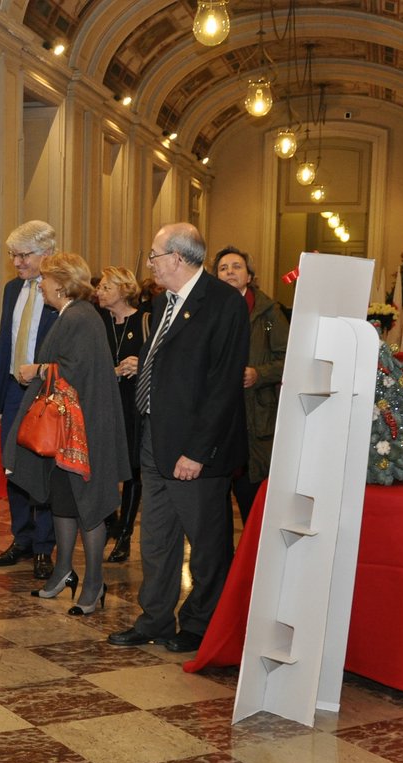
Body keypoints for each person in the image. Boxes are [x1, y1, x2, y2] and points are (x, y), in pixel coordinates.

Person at [108, 223, 248, 654]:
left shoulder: (223, 304)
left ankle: (201, 624)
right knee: (156, 540)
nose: (150, 263)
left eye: (154, 255)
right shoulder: (161, 301)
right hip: (155, 438)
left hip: (195, 450)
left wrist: (197, 451)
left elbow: (223, 386)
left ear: (178, 258)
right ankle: (155, 618)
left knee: (206, 546)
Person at [2, 253, 130, 616]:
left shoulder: (79, 316)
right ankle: (63, 571)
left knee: (89, 505)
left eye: (44, 279)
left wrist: (36, 368)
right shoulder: (74, 314)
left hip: (84, 432)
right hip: (67, 429)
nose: (40, 285)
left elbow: (77, 371)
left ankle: (94, 582)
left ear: (60, 283)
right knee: (63, 501)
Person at [0, 220, 60, 581]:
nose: (16, 262)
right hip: (14, 391)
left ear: (46, 253)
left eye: (22, 255)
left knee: (43, 471)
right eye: (12, 255)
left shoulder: (62, 292)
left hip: (46, 390)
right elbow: (6, 345)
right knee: (13, 467)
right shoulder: (10, 290)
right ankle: (22, 537)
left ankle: (44, 546)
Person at [213, 245, 288, 523]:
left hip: (256, 419)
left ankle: (253, 565)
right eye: (223, 268)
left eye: (236, 267)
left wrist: (259, 373)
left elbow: (290, 358)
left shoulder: (269, 313)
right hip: (218, 419)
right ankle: (223, 567)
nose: (230, 272)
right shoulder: (208, 312)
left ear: (249, 276)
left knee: (253, 503)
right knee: (216, 512)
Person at [94, 265, 150, 563]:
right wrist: (111, 370)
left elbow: (160, 361)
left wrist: (140, 364)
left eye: (105, 287)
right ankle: (110, 522)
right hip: (104, 404)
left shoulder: (145, 321)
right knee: (101, 466)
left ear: (123, 289)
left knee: (132, 469)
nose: (99, 292)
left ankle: (126, 533)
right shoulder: (98, 321)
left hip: (133, 405)